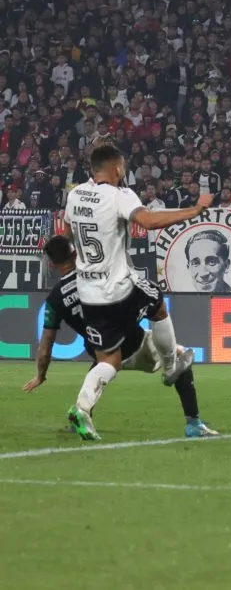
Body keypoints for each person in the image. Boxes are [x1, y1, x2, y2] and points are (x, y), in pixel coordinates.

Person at [62, 144, 214, 441]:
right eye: (124, 166)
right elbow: (148, 221)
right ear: (118, 168)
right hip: (117, 287)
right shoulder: (120, 196)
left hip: (89, 293)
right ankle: (171, 367)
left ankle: (82, 408)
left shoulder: (75, 194)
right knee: (156, 300)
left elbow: (68, 228)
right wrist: (196, 210)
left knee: (109, 361)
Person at [24, 235, 218, 438]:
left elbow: (45, 347)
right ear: (75, 253)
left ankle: (82, 415)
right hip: (136, 342)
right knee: (180, 359)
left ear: (52, 264)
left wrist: (40, 375)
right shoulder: (99, 276)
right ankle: (193, 423)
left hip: (104, 353)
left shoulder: (55, 299)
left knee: (100, 370)